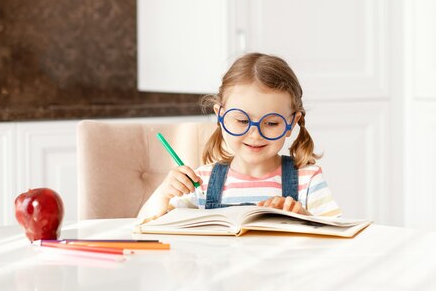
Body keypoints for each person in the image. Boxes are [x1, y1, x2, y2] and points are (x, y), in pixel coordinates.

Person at [138, 52, 341, 220]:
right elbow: (143, 225)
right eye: (242, 121)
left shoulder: (308, 179)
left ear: (291, 124)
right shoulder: (202, 183)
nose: (255, 134)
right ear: (220, 117)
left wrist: (304, 218)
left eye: (271, 123)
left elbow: (338, 239)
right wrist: (163, 194)